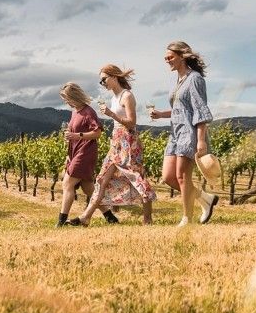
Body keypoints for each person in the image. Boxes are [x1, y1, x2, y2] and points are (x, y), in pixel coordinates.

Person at [69, 65, 156, 226]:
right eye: (101, 81)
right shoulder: (114, 98)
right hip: (116, 141)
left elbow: (132, 123)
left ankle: (147, 219)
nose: (103, 83)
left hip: (128, 141)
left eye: (104, 79)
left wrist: (111, 114)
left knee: (136, 176)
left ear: (114, 77)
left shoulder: (127, 96)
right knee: (102, 179)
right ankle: (85, 217)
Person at [148, 41, 220, 226]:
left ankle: (187, 218)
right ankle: (205, 198)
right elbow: (180, 109)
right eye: (166, 57)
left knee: (182, 177)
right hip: (175, 133)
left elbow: (200, 110)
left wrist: (201, 140)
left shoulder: (195, 78)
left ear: (182, 56)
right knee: (168, 177)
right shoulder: (178, 81)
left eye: (170, 57)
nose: (167, 60)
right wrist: (161, 114)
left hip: (189, 132)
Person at [56, 82, 106, 227]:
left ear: (75, 96)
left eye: (67, 98)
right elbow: (73, 135)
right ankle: (109, 216)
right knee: (87, 187)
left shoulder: (88, 112)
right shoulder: (75, 112)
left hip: (85, 152)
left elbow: (97, 133)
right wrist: (69, 153)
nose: (66, 102)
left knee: (67, 183)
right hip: (75, 152)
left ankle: (61, 221)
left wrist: (77, 135)